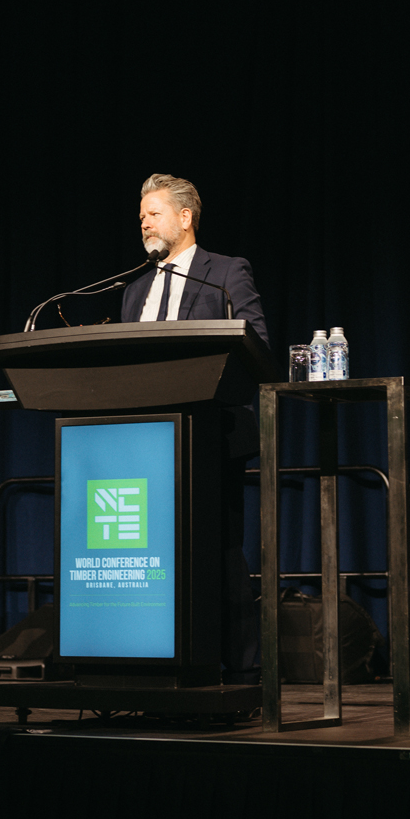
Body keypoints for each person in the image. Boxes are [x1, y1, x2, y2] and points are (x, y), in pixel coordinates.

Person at [121, 174, 270, 684]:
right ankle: (155, 658)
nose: (145, 222)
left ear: (185, 217)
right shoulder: (134, 289)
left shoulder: (224, 272)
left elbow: (255, 344)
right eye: (141, 216)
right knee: (150, 553)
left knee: (220, 550)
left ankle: (243, 669)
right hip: (144, 440)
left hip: (212, 434)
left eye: (154, 213)